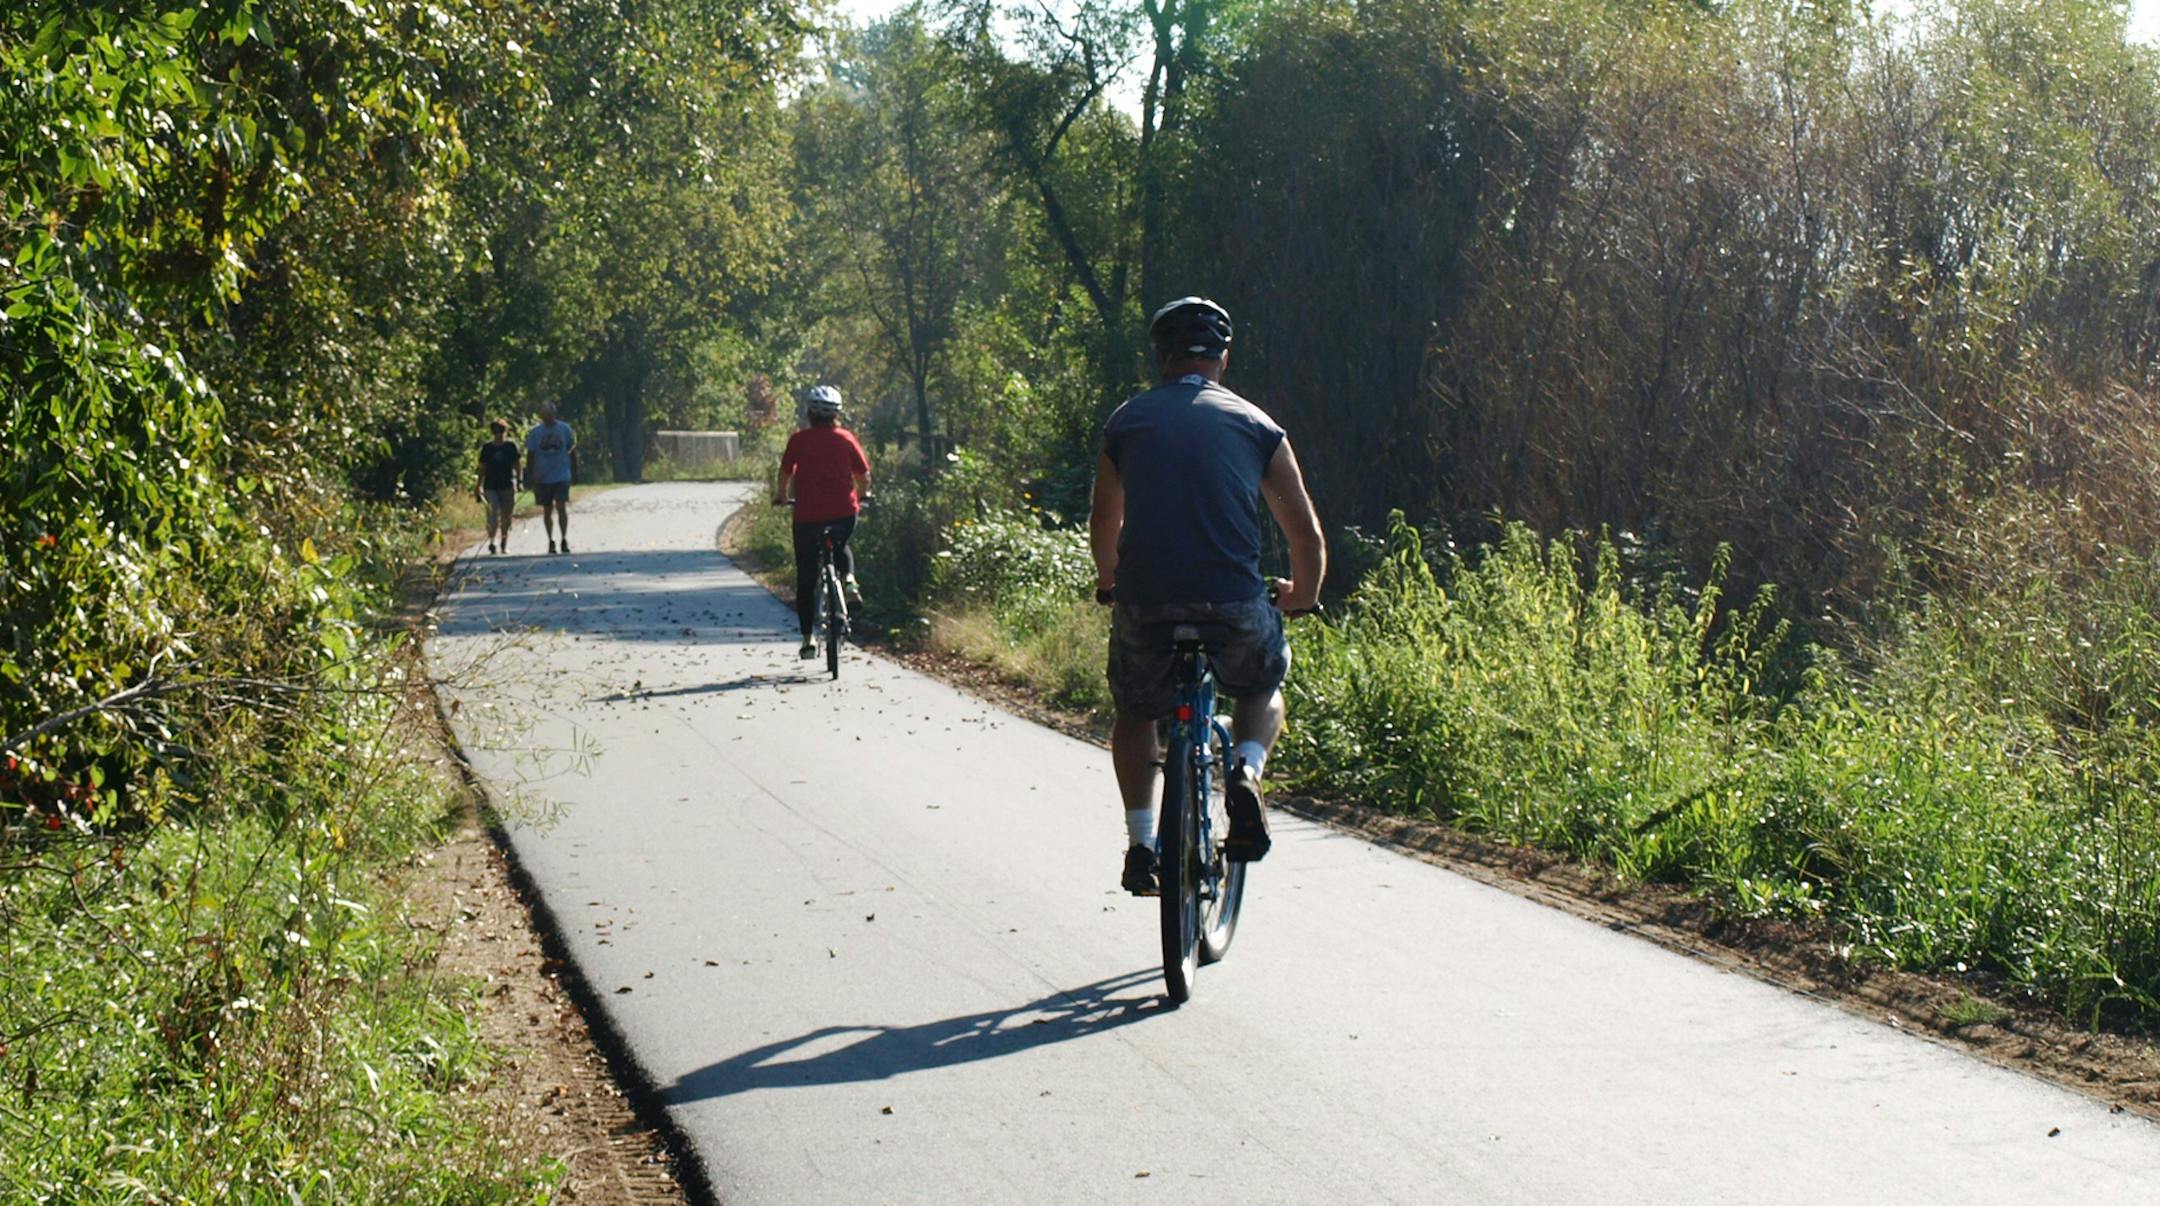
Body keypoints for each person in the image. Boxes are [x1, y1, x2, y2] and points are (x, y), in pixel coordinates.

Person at [1090, 297, 1325, 896]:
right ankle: (1245, 767)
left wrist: (1110, 583)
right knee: (1261, 682)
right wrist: (1302, 594)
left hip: (1146, 601)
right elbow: (1306, 535)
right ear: (1224, 356)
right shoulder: (1257, 425)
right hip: (1235, 602)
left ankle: (1141, 844)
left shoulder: (1127, 423)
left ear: (1161, 356)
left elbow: (1104, 523)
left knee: (1138, 710)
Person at [775, 385, 872, 660]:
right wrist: (862, 496)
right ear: (837, 414)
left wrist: (782, 496)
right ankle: (850, 582)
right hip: (843, 513)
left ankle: (807, 640)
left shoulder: (799, 440)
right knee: (840, 545)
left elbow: (785, 474)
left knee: (806, 579)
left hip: (807, 516)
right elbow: (863, 475)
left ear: (809, 412)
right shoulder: (846, 438)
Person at [524, 402, 577, 554]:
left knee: (561, 506)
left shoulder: (564, 429)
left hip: (561, 474)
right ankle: (551, 540)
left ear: (554, 414)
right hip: (543, 476)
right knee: (547, 510)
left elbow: (571, 450)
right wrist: (531, 475)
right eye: (544, 414)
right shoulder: (535, 432)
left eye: (549, 413)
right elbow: (531, 454)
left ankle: (564, 538)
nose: (547, 417)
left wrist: (574, 471)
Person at [475, 418, 520, 554]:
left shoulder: (510, 447)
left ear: (505, 432)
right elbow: (482, 468)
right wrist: (478, 486)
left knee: (507, 516)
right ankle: (492, 541)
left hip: (507, 485)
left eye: (501, 431)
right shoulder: (487, 448)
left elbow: (518, 465)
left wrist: (519, 481)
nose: (498, 434)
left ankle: (504, 542)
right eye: (495, 431)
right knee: (492, 515)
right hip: (491, 486)